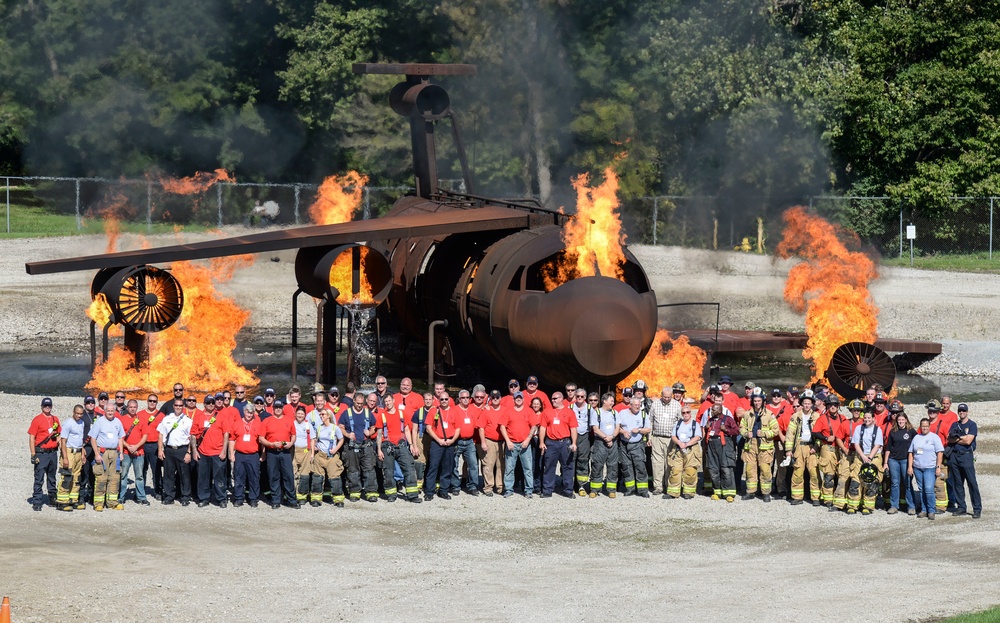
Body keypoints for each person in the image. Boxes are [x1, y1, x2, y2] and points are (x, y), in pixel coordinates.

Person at [376, 395, 421, 503]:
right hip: (387, 447)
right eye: (385, 401)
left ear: (393, 401)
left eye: (389, 401)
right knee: (388, 471)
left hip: (401, 446)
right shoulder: (382, 416)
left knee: (409, 468)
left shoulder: (401, 413)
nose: (387, 403)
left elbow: (406, 430)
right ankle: (391, 494)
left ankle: (412, 495)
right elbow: (379, 434)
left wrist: (410, 444)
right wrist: (379, 449)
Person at [739, 388, 778, 502]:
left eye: (758, 401)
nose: (756, 403)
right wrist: (746, 433)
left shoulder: (770, 415)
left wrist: (764, 433)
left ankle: (765, 493)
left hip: (764, 447)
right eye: (755, 401)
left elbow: (775, 430)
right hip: (751, 445)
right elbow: (741, 427)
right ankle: (751, 492)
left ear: (763, 401)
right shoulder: (747, 414)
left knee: (765, 470)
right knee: (750, 469)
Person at [339, 392, 378, 502]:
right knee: (353, 470)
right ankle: (354, 492)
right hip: (352, 447)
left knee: (369, 470)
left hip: (366, 446)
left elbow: (374, 425)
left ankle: (371, 492)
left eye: (361, 403)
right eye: (358, 403)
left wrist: (370, 432)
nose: (360, 405)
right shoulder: (347, 413)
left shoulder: (368, 413)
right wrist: (347, 434)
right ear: (354, 401)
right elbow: (340, 426)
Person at [193, 396, 230, 508]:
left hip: (217, 452)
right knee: (203, 478)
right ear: (204, 404)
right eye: (208, 402)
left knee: (220, 478)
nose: (210, 404)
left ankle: (221, 498)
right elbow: (193, 435)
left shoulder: (222, 416)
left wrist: (224, 451)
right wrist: (194, 451)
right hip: (203, 452)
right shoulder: (198, 416)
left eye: (212, 402)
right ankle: (204, 498)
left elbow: (226, 434)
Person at [784, 391, 820, 505]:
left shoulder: (817, 416)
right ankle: (797, 497)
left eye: (809, 403)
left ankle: (815, 498)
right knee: (797, 472)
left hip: (811, 447)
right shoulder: (795, 416)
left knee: (814, 473)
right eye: (805, 403)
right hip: (799, 446)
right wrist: (789, 451)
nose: (807, 405)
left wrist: (816, 446)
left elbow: (820, 434)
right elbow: (790, 434)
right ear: (801, 404)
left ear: (812, 404)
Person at [538, 391, 577, 498]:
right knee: (549, 466)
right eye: (552, 398)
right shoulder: (547, 412)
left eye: (555, 398)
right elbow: (542, 428)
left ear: (561, 399)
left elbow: (573, 429)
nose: (553, 400)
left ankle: (568, 490)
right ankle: (547, 490)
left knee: (567, 467)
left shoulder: (569, 412)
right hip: (551, 443)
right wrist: (541, 442)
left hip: (565, 442)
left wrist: (574, 443)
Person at [260, 400, 297, 509]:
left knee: (289, 476)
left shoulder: (289, 420)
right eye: (276, 407)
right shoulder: (267, 421)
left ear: (283, 408)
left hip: (285, 452)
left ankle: (292, 500)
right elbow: (261, 438)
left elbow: (294, 435)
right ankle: (275, 500)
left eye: (280, 407)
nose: (278, 409)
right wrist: (271, 444)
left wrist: (291, 443)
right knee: (273, 476)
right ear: (273, 408)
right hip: (272, 452)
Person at [157, 398, 194, 506]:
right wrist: (160, 449)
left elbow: (191, 438)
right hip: (169, 449)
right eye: (176, 405)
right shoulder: (166, 419)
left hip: (182, 449)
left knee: (184, 475)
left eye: (180, 406)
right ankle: (169, 496)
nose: (178, 407)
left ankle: (185, 496)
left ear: (183, 407)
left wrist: (189, 452)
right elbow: (161, 435)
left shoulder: (188, 420)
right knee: (168, 474)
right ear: (173, 406)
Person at [948, 404, 982, 518]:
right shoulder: (954, 424)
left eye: (964, 410)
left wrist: (957, 439)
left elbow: (968, 441)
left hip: (966, 456)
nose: (962, 412)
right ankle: (961, 507)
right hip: (954, 456)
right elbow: (949, 438)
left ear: (967, 412)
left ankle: (977, 509)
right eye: (960, 410)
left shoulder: (972, 425)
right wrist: (962, 438)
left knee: (972, 483)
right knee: (957, 483)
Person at [424, 393, 460, 500]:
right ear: (439, 400)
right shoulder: (433, 411)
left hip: (450, 442)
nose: (444, 401)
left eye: (446, 399)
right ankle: (429, 491)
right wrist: (438, 440)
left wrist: (452, 440)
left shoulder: (454, 411)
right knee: (433, 466)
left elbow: (458, 428)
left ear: (449, 400)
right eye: (442, 399)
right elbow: (428, 428)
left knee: (447, 467)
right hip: (437, 442)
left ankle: (443, 490)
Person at [649, 384, 683, 496]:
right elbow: (650, 421)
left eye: (669, 397)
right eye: (665, 397)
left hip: (671, 439)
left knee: (669, 463)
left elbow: (680, 422)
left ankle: (669, 485)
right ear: (661, 395)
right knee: (657, 462)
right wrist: (650, 436)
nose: (667, 399)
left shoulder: (677, 405)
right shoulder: (655, 404)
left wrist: (679, 438)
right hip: (657, 437)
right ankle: (658, 486)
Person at [501, 392, 537, 498]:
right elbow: (502, 426)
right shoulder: (508, 411)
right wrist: (507, 441)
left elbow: (534, 426)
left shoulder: (529, 411)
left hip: (525, 444)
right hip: (511, 443)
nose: (518, 399)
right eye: (516, 398)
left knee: (528, 468)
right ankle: (508, 489)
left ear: (523, 399)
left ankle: (529, 490)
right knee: (509, 468)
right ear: (513, 399)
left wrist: (527, 440)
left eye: (520, 397)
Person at [28, 397, 61, 511]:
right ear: (41, 407)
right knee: (39, 477)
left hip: (53, 453)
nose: (47, 407)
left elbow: (59, 434)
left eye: (49, 406)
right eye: (45, 406)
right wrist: (33, 454)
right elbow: (32, 438)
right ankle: (37, 501)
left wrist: (59, 443)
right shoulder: (37, 419)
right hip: (41, 453)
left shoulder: (55, 419)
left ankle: (52, 498)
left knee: (52, 477)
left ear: (51, 407)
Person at [90, 405, 125, 511]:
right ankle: (99, 503)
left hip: (115, 453)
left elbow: (120, 438)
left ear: (115, 411)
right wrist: (96, 454)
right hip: (102, 453)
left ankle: (112, 502)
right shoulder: (99, 422)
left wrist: (121, 452)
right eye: (108, 410)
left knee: (114, 478)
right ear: (104, 411)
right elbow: (93, 439)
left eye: (112, 410)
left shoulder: (117, 422)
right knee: (101, 478)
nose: (110, 412)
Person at [908, 418, 944, 520]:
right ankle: (924, 510)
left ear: (929, 426)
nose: (924, 428)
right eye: (923, 426)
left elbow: (940, 452)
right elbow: (911, 453)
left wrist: (938, 467)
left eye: (926, 426)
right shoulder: (916, 438)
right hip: (918, 467)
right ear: (920, 427)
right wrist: (910, 467)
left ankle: (931, 510)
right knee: (921, 489)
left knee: (928, 489)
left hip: (930, 467)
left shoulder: (934, 437)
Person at [849, 409, 884, 515]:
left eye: (869, 418)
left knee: (871, 481)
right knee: (855, 480)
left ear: (873, 419)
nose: (867, 419)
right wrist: (863, 456)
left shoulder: (878, 430)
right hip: (860, 456)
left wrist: (869, 458)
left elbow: (877, 445)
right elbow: (856, 444)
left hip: (874, 457)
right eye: (865, 418)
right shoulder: (859, 428)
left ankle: (867, 506)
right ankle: (853, 505)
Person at [311, 407, 346, 506]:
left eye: (323, 414)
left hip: (332, 457)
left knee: (334, 477)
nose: (321, 416)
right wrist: (315, 448)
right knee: (317, 477)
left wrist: (336, 449)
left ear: (328, 416)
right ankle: (316, 498)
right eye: (320, 414)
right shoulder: (318, 428)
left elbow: (341, 439)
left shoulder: (335, 428)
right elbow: (315, 439)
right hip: (320, 456)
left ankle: (338, 499)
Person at [704, 403, 740, 502]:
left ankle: (729, 493)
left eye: (714, 410)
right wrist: (706, 428)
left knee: (726, 469)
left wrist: (726, 430)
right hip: (712, 447)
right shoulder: (710, 420)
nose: (712, 411)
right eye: (711, 410)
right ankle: (717, 492)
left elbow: (737, 431)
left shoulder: (728, 419)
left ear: (720, 410)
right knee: (713, 469)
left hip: (725, 447)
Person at [230, 403, 263, 508]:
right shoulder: (236, 423)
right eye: (248, 412)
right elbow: (232, 440)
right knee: (239, 477)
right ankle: (239, 498)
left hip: (253, 455)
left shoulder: (258, 423)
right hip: (240, 454)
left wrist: (263, 454)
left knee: (254, 477)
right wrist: (231, 454)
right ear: (244, 412)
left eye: (251, 412)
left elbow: (262, 441)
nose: (249, 414)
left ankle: (253, 499)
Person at [665, 404, 702, 499]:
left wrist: (687, 444)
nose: (685, 414)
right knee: (675, 470)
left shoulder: (695, 424)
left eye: (688, 412)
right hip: (678, 450)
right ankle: (673, 492)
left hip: (691, 450)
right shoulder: (678, 424)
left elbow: (697, 437)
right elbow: (673, 436)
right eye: (683, 412)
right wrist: (679, 443)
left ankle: (688, 492)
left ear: (690, 413)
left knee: (690, 471)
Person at [117, 399, 150, 506]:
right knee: (123, 475)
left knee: (139, 476)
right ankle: (121, 496)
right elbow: (120, 436)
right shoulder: (122, 420)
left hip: (139, 452)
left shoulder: (142, 419)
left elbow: (145, 436)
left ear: (137, 408)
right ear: (127, 407)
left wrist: (136, 446)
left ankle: (141, 497)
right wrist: (128, 447)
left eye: (134, 407)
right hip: (126, 452)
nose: (132, 409)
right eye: (130, 407)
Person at [617, 396, 651, 497]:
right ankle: (630, 489)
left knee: (640, 467)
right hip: (624, 445)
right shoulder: (622, 413)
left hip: (637, 445)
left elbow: (648, 429)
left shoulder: (643, 414)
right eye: (635, 405)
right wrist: (623, 432)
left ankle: (643, 490)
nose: (637, 407)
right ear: (630, 405)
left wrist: (639, 430)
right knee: (627, 467)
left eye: (639, 405)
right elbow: (617, 427)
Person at [588, 393, 620, 498]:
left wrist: (612, 437)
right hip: (600, 443)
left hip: (613, 442)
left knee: (613, 466)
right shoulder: (596, 412)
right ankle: (595, 489)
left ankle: (611, 490)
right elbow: (595, 429)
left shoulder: (615, 413)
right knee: (597, 465)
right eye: (611, 401)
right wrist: (606, 438)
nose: (613, 403)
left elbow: (617, 428)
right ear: (604, 401)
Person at [884, 411, 916, 515]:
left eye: (902, 420)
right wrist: (885, 462)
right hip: (893, 460)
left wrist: (914, 460)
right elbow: (888, 447)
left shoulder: (911, 431)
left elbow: (916, 444)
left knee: (907, 483)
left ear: (906, 420)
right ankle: (894, 506)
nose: (901, 421)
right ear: (896, 421)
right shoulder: (893, 431)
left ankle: (911, 506)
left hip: (906, 460)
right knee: (895, 483)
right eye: (899, 420)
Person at [56, 404, 86, 511]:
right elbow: (63, 441)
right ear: (73, 412)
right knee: (67, 476)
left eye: (81, 414)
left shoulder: (82, 423)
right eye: (77, 413)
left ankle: (73, 500)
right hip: (69, 451)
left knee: (77, 477)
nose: (79, 415)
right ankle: (62, 501)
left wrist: (82, 453)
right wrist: (65, 457)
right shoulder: (68, 423)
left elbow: (80, 439)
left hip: (78, 451)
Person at [451, 389, 481, 495]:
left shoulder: (473, 409)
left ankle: (472, 486)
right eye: (463, 398)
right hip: (457, 441)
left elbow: (480, 422)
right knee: (454, 464)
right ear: (459, 399)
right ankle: (455, 486)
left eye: (467, 397)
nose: (465, 399)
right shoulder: (454, 410)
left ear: (470, 399)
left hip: (469, 442)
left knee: (473, 464)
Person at [477, 389, 506, 496]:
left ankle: (500, 487)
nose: (495, 399)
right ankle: (488, 487)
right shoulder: (486, 410)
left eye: (497, 397)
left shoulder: (505, 410)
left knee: (501, 465)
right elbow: (481, 428)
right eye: (493, 398)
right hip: (489, 440)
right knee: (488, 465)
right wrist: (483, 442)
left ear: (500, 398)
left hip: (502, 442)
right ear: (490, 399)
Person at [570, 390, 598, 496]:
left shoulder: (590, 409)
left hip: (584, 436)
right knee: (571, 459)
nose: (579, 398)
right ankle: (570, 484)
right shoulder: (570, 408)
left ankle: (581, 485)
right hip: (572, 435)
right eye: (578, 396)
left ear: (585, 397)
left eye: (582, 396)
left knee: (583, 460)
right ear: (575, 396)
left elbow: (595, 424)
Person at [291, 404, 316, 506]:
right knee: (293, 472)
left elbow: (312, 439)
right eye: (298, 413)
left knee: (304, 474)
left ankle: (302, 495)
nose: (300, 415)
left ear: (305, 415)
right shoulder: (292, 423)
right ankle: (293, 494)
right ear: (295, 414)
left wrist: (312, 453)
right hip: (294, 451)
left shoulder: (308, 424)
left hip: (306, 451)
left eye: (302, 414)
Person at [141, 394, 164, 500]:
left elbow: (163, 432)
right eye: (150, 400)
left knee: (156, 470)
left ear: (157, 402)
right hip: (142, 445)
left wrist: (161, 448)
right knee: (142, 469)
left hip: (155, 445)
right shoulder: (140, 414)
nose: (152, 403)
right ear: (147, 401)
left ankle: (158, 491)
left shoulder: (161, 415)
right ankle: (140, 491)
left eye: (154, 401)